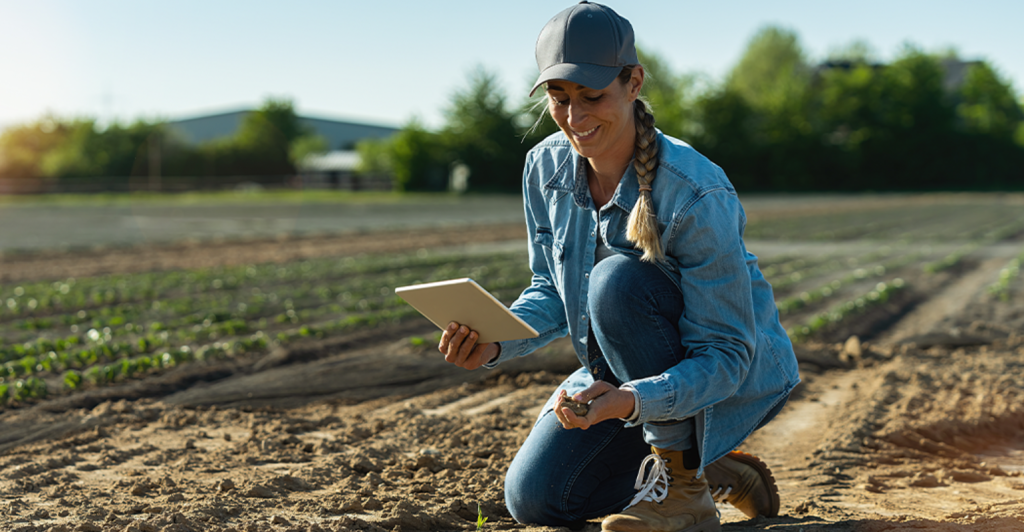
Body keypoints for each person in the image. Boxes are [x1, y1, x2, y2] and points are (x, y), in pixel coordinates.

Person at [438, 2, 800, 531]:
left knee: (613, 281)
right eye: (559, 100)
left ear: (634, 82)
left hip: (727, 378)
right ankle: (713, 467)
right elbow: (551, 286)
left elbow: (727, 354)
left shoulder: (696, 193)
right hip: (623, 374)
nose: (574, 119)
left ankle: (684, 485)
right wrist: (495, 342)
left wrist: (631, 400)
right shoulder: (544, 167)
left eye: (592, 97)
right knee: (537, 501)